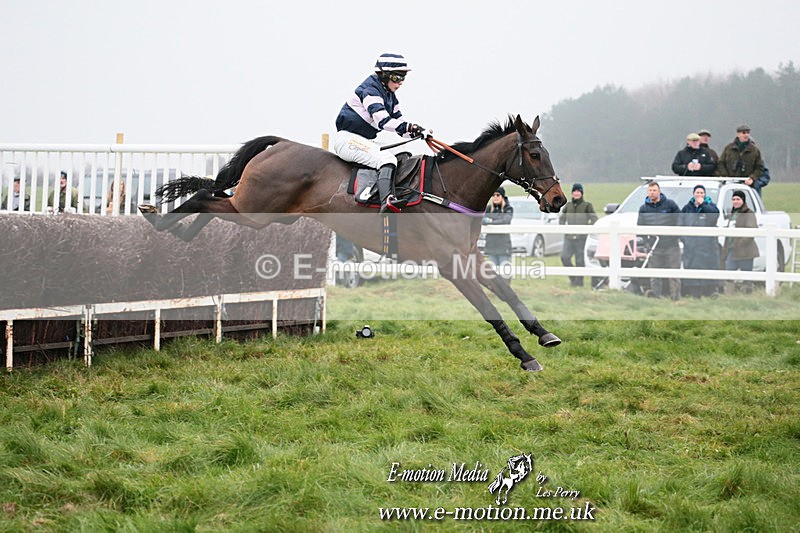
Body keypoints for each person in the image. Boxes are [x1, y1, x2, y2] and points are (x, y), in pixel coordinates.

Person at [334, 53, 432, 214]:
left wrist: (418, 133)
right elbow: (383, 122)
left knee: (403, 154)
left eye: (403, 78)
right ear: (384, 75)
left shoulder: (389, 96)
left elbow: (400, 125)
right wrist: (410, 127)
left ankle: (395, 192)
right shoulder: (370, 90)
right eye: (396, 77)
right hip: (348, 139)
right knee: (387, 159)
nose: (400, 82)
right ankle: (386, 202)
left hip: (363, 140)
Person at [637, 181, 681, 300]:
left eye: (654, 190)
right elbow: (640, 228)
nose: (652, 193)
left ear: (659, 191)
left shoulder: (670, 205)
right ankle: (657, 297)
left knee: (674, 273)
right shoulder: (643, 209)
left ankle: (675, 297)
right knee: (655, 274)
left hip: (671, 245)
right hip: (654, 247)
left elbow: (680, 220)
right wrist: (647, 243)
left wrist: (676, 235)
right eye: (650, 191)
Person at [679, 184, 720, 298]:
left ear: (705, 194)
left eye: (702, 193)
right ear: (693, 194)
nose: (699, 195)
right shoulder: (687, 208)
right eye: (697, 193)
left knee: (709, 269)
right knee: (692, 269)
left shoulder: (711, 206)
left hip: (708, 246)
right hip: (691, 247)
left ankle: (711, 293)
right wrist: (686, 240)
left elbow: (714, 217)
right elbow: (680, 224)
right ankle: (694, 295)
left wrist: (703, 205)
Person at [559, 183, 598, 287]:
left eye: (578, 191)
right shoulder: (568, 206)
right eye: (574, 191)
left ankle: (579, 283)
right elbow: (562, 218)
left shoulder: (587, 206)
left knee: (579, 260)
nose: (576, 193)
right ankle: (573, 278)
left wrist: (586, 229)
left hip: (581, 238)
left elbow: (594, 219)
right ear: (572, 193)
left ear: (581, 193)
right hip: (569, 237)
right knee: (564, 257)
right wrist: (564, 229)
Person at [721, 190, 759, 295]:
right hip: (732, 250)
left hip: (745, 251)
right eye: (733, 199)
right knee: (729, 274)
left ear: (743, 200)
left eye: (738, 199)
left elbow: (751, 230)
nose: (735, 201)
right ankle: (729, 296)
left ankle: (747, 296)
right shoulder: (732, 213)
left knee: (747, 276)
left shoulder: (749, 213)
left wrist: (741, 243)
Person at [717, 125, 765, 193]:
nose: (746, 135)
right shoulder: (729, 148)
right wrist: (726, 176)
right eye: (744, 133)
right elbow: (721, 163)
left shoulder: (754, 150)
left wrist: (752, 178)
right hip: (730, 184)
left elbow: (759, 167)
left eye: (748, 133)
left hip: (748, 185)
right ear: (738, 134)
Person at [483, 187, 514, 276]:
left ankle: (505, 289)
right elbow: (482, 220)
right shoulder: (489, 208)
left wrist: (490, 221)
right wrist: (491, 220)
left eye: (498, 195)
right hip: (491, 246)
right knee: (492, 274)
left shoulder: (508, 208)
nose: (495, 197)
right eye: (493, 195)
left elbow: (505, 221)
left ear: (503, 197)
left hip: (503, 247)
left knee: (505, 273)